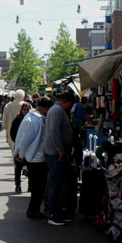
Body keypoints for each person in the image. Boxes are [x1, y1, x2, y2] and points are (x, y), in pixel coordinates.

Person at [14, 97, 53, 219]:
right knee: (37, 186)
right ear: (46, 107)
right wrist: (20, 155)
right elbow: (24, 139)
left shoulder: (37, 118)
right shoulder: (32, 119)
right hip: (35, 158)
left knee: (39, 186)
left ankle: (34, 209)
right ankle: (33, 210)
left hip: (38, 157)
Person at [42, 90, 76, 226]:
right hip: (54, 153)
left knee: (58, 181)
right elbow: (54, 131)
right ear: (66, 102)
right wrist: (61, 151)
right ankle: (54, 214)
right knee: (56, 182)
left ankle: (57, 212)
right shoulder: (57, 111)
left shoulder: (56, 110)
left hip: (56, 152)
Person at [10, 102, 31, 193]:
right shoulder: (17, 120)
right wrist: (18, 141)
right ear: (21, 110)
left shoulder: (32, 119)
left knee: (30, 166)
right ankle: (18, 185)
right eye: (24, 109)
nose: (26, 111)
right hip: (19, 146)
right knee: (18, 166)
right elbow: (12, 133)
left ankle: (30, 185)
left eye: (27, 109)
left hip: (30, 147)